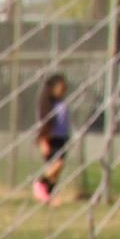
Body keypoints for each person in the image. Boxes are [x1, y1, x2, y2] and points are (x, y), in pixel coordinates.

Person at [33, 72, 72, 204]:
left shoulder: (62, 102)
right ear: (52, 88)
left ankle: (48, 196)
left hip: (62, 139)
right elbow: (43, 124)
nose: (63, 91)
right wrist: (43, 141)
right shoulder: (47, 104)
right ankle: (39, 183)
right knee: (58, 164)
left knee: (56, 173)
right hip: (51, 139)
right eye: (60, 88)